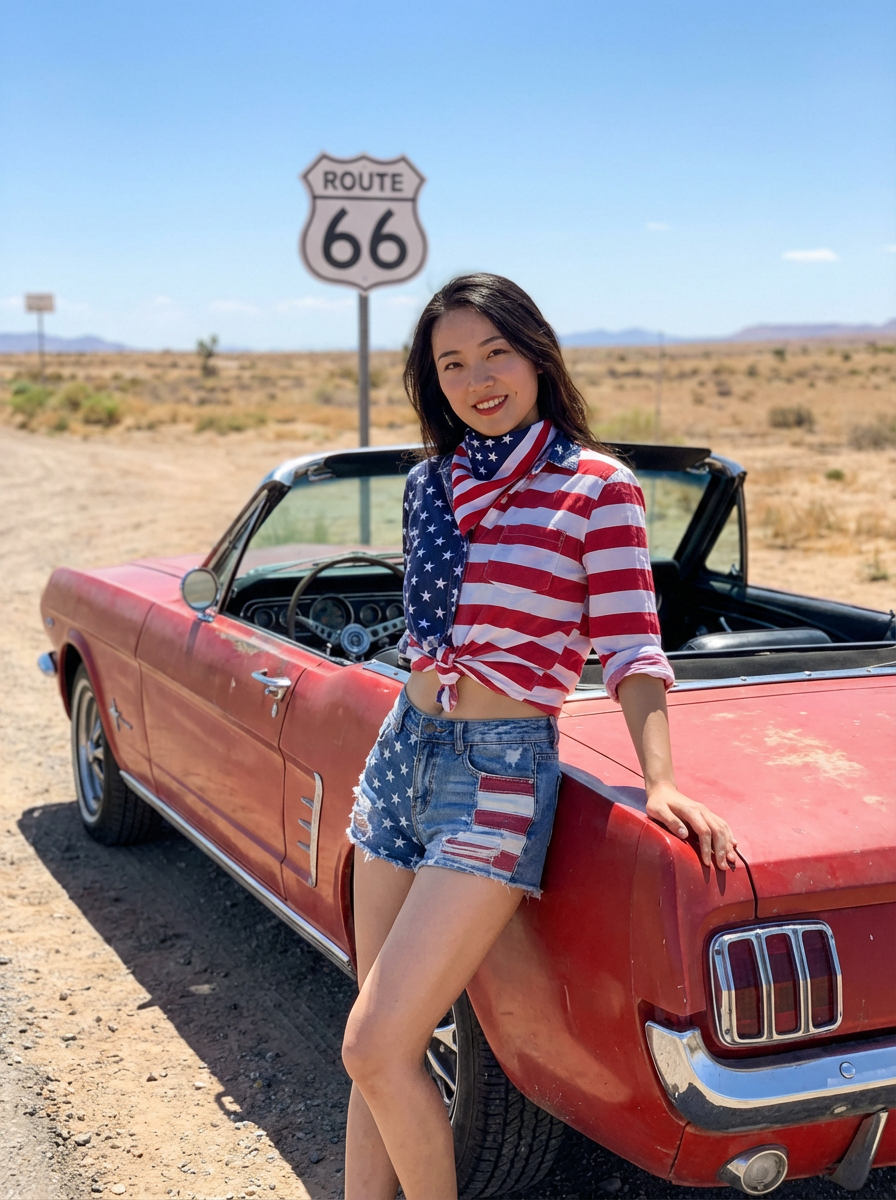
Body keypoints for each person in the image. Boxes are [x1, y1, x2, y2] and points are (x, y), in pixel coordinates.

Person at [341, 274, 737, 1200]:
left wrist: (661, 779)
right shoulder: (429, 486)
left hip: (497, 774)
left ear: (536, 355)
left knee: (375, 1044)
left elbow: (632, 646)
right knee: (375, 1041)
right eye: (452, 364)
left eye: (496, 354)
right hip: (402, 750)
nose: (477, 380)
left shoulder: (595, 487)